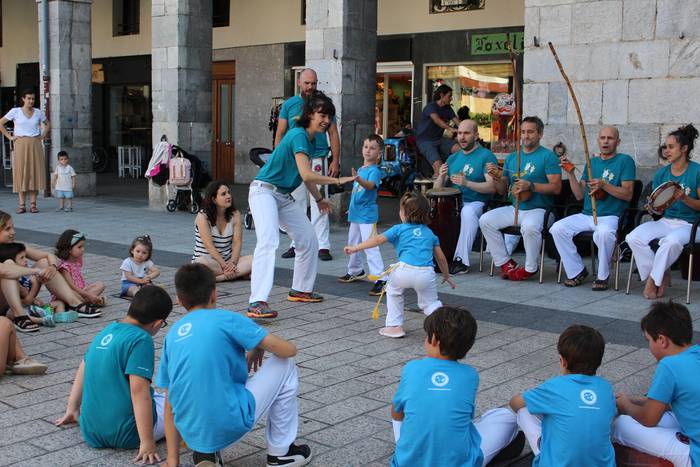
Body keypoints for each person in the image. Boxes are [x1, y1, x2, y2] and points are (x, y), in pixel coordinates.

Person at [158, 263, 311, 467]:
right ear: (214, 293)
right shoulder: (227, 319)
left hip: (192, 430)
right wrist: (259, 342)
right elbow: (288, 350)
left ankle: (205, 453)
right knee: (286, 364)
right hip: (230, 420)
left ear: (178, 299)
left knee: (197, 388)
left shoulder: (173, 334)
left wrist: (172, 460)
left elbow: (170, 402)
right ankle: (281, 454)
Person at [248, 91, 356, 319]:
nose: (326, 120)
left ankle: (301, 289)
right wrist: (337, 180)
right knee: (268, 241)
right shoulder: (298, 134)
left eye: (329, 116)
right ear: (308, 114)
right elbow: (307, 174)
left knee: (308, 239)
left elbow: (304, 174)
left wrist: (318, 199)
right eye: (322, 115)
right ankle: (257, 301)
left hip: (283, 196)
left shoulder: (314, 137)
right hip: (263, 191)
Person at [55, 286, 172, 465]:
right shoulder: (141, 339)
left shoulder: (107, 330)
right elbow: (138, 392)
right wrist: (147, 442)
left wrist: (72, 408)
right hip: (129, 434)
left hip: (90, 431)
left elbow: (83, 368)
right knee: (178, 402)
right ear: (157, 323)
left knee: (156, 395)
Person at [391, 306, 521, 466]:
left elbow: (397, 413)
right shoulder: (470, 375)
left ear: (433, 340)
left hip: (406, 462)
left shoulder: (411, 368)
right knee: (506, 416)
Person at [344, 192, 455, 338]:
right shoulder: (429, 233)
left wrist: (355, 248)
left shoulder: (398, 229)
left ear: (403, 213)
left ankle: (394, 326)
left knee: (394, 292)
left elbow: (376, 240)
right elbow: (440, 257)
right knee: (430, 303)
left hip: (403, 270)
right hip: (426, 272)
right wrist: (446, 275)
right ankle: (445, 323)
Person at [510, 325, 616, 467]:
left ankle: (544, 444)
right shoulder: (605, 388)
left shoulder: (554, 386)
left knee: (524, 411)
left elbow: (515, 403)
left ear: (562, 361)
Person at [613, 301, 698, 467]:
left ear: (662, 340)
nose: (649, 346)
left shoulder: (670, 365)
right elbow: (680, 400)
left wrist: (625, 405)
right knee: (667, 416)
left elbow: (649, 418)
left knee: (620, 424)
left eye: (648, 340)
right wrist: (636, 400)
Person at [551, 126, 636, 290]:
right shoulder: (592, 162)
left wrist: (604, 185)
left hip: (611, 215)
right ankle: (577, 271)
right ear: (598, 140)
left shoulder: (625, 161)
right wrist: (570, 173)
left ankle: (603, 276)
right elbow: (579, 195)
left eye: (610, 138)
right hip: (587, 214)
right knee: (557, 228)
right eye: (602, 137)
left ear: (617, 142)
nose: (605, 141)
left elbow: (628, 194)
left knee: (604, 234)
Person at [479, 116, 562, 281]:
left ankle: (531, 267)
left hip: (540, 210)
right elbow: (503, 190)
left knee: (529, 227)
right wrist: (496, 177)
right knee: (485, 220)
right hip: (515, 207)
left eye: (530, 132)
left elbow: (556, 188)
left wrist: (531, 185)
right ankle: (505, 262)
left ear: (540, 134)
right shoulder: (512, 157)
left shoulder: (548, 156)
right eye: (523, 132)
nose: (525, 136)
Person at [626, 124, 700, 299]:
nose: (667, 151)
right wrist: (651, 208)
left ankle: (652, 280)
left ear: (684, 148)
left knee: (671, 241)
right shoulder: (662, 173)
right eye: (666, 147)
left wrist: (684, 198)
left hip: (692, 225)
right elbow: (658, 207)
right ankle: (661, 273)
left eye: (671, 147)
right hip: (667, 221)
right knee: (633, 237)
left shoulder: (697, 171)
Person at [276, 69, 341, 262]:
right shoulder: (289, 104)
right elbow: (280, 132)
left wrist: (335, 160)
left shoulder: (324, 106)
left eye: (313, 83)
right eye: (307, 83)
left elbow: (334, 133)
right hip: (295, 158)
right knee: (296, 202)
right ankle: (297, 243)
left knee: (319, 200)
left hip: (319, 155)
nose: (310, 87)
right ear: (298, 83)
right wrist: (278, 159)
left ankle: (322, 245)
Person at [0, 211, 99, 332]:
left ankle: (74, 303)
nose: (13, 232)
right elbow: (5, 271)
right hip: (3, 303)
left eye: (13, 227)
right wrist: (36, 271)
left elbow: (48, 255)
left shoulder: (16, 246)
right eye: (7, 229)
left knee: (45, 262)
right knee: (9, 266)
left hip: (22, 298)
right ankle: (19, 315)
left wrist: (52, 267)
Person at [435, 120, 498, 274]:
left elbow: (492, 187)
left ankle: (461, 261)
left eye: (466, 133)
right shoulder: (453, 158)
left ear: (476, 135)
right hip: (455, 203)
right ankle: (441, 258)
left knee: (468, 212)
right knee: (436, 212)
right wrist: (441, 177)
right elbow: (436, 190)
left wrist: (467, 183)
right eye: (459, 133)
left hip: (478, 202)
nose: (462, 137)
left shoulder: (486, 156)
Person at [337, 134, 386, 296]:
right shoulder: (361, 169)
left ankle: (381, 279)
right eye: (366, 147)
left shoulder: (374, 171)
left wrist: (358, 179)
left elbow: (370, 186)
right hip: (356, 214)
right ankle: (355, 270)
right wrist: (351, 208)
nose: (368, 150)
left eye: (372, 148)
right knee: (353, 242)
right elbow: (357, 191)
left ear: (379, 153)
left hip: (367, 215)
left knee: (371, 245)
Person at [0, 90, 50, 214]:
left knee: (34, 172)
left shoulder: (38, 112)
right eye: (28, 98)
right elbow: (1, 123)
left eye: (33, 99)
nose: (31, 101)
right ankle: (21, 205)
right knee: (21, 172)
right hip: (20, 143)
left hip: (35, 143)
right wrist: (9, 137)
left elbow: (47, 124)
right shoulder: (15, 111)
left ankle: (33, 204)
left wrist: (43, 135)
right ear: (23, 99)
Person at [193, 181, 252, 282]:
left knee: (257, 259)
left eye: (229, 192)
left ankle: (219, 278)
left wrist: (233, 262)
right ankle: (237, 274)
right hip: (210, 261)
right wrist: (224, 266)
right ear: (214, 199)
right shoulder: (202, 216)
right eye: (223, 194)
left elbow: (237, 243)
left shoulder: (235, 214)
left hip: (228, 261)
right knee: (201, 263)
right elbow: (209, 246)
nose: (228, 196)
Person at [0, 242, 67, 328]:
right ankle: (42, 320)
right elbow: (27, 300)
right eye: (22, 258)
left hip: (29, 307)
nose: (26, 260)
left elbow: (48, 255)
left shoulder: (25, 277)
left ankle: (59, 316)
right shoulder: (14, 280)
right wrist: (36, 283)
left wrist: (52, 268)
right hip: (14, 309)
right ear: (14, 264)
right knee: (11, 313)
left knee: (59, 303)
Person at [416, 84, 460, 178]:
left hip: (439, 139)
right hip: (425, 141)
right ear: (441, 95)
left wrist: (466, 130)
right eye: (449, 96)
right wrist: (450, 128)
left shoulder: (448, 108)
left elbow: (457, 122)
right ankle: (435, 190)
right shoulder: (430, 107)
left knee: (459, 149)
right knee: (439, 169)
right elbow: (437, 120)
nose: (451, 98)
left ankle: (455, 173)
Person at [54, 230, 106, 307]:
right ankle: (86, 302)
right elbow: (72, 287)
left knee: (100, 284)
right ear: (69, 249)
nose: (83, 249)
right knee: (74, 294)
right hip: (70, 292)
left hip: (81, 290)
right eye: (79, 247)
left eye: (83, 246)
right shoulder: (64, 267)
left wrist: (87, 294)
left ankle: (85, 302)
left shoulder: (76, 260)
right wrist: (89, 295)